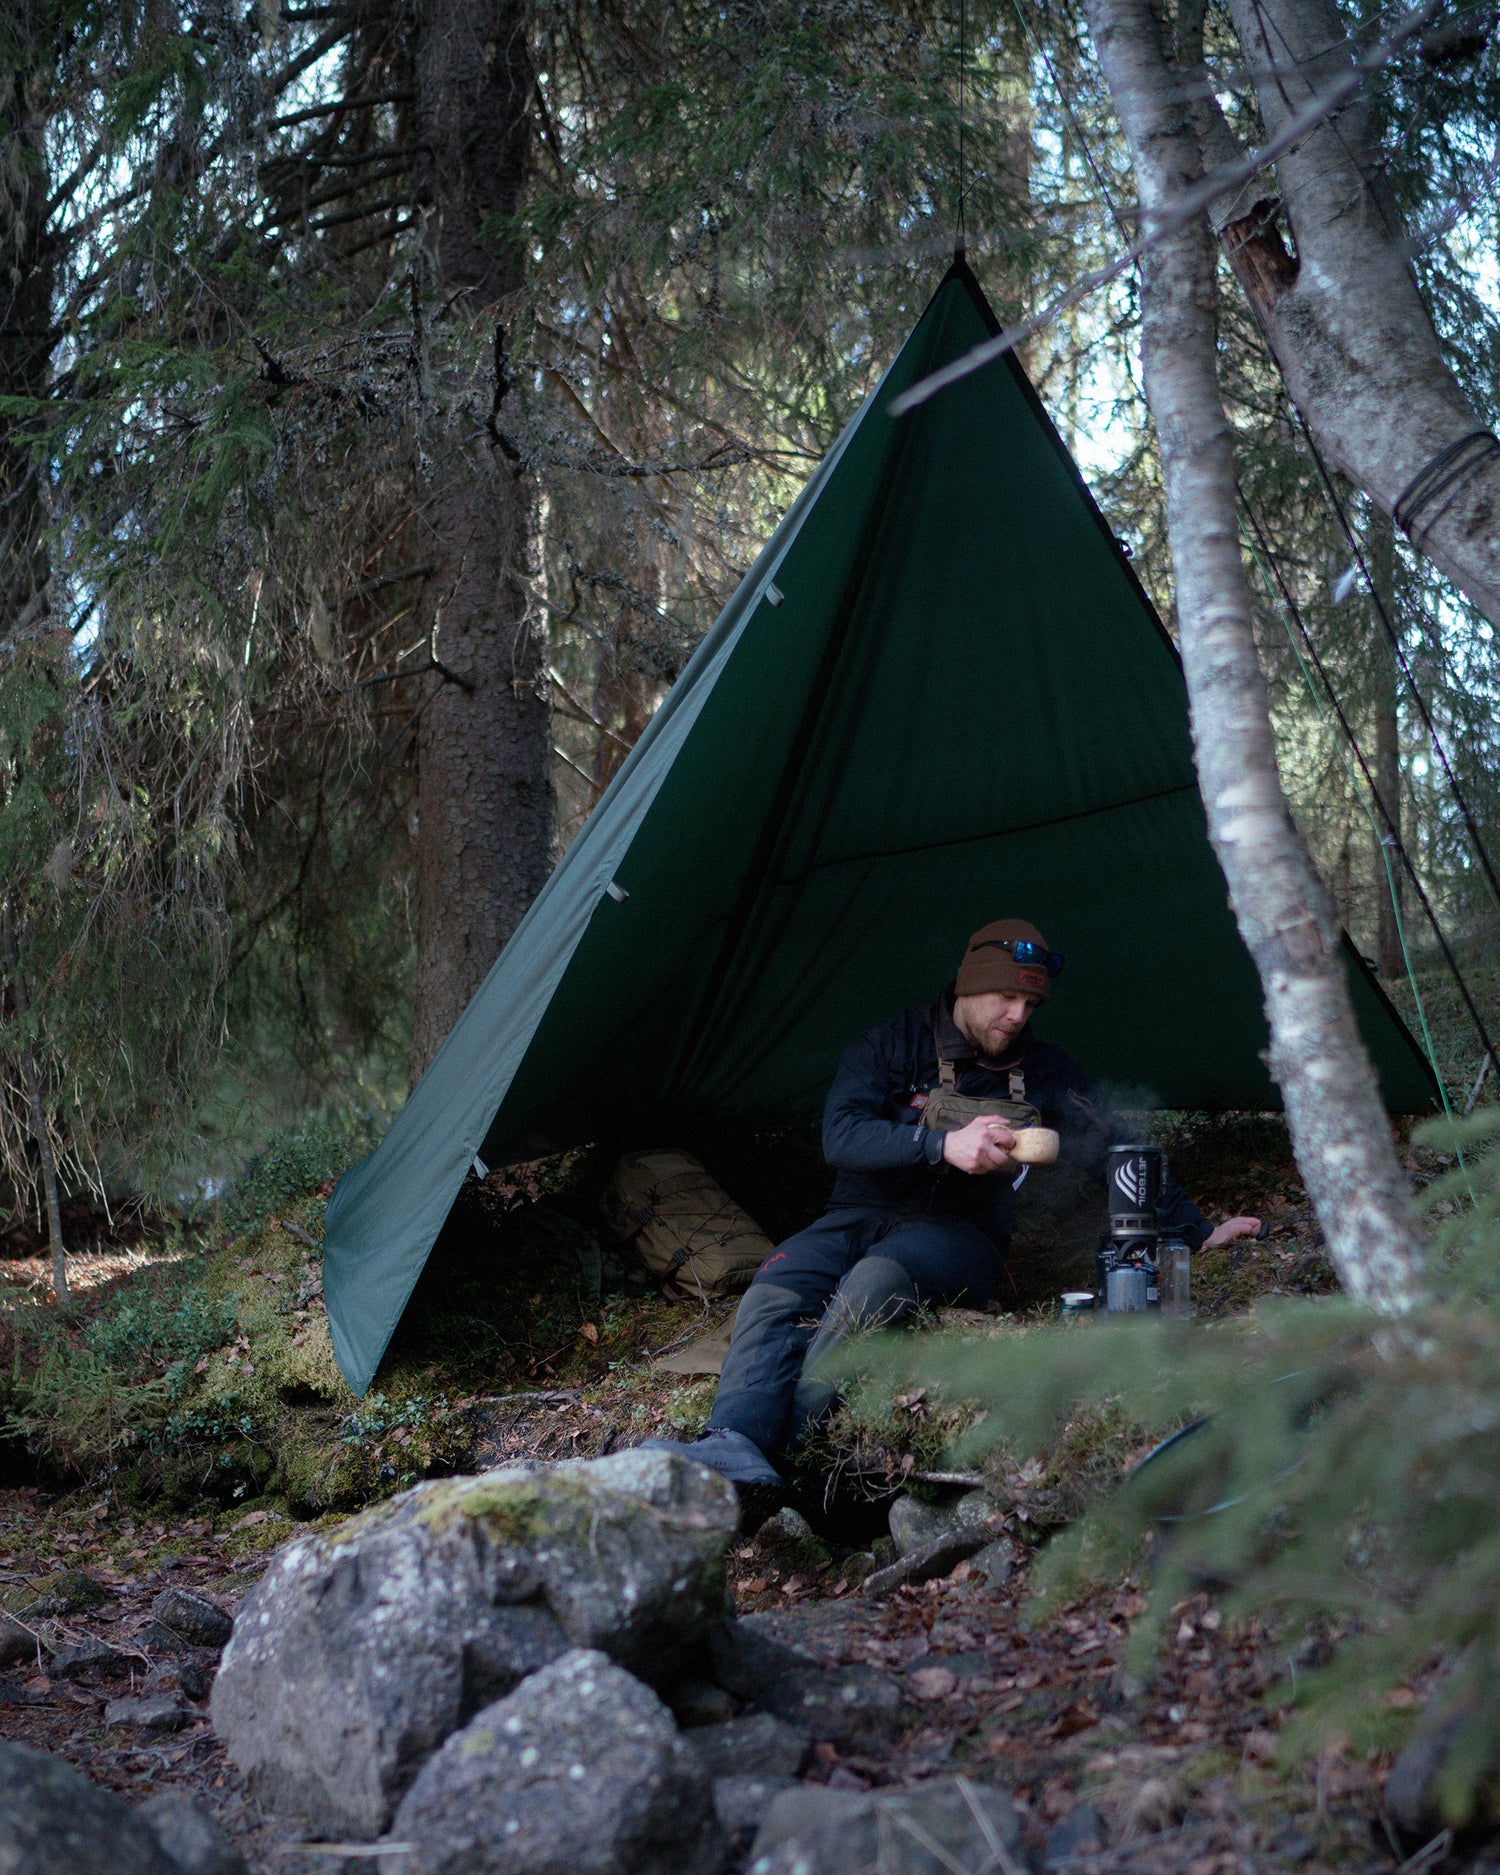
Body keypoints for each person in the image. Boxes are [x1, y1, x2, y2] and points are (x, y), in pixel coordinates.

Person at [642, 918, 1261, 1511]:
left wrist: (1200, 1230)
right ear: (968, 985)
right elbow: (842, 1135)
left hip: (960, 1234)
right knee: (773, 1290)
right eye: (1004, 997)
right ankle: (733, 1444)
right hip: (857, 1212)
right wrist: (940, 1143)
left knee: (874, 1283)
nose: (1018, 1016)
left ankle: (799, 1453)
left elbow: (1114, 1147)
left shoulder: (1043, 1070)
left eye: (1031, 1005)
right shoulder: (889, 1045)